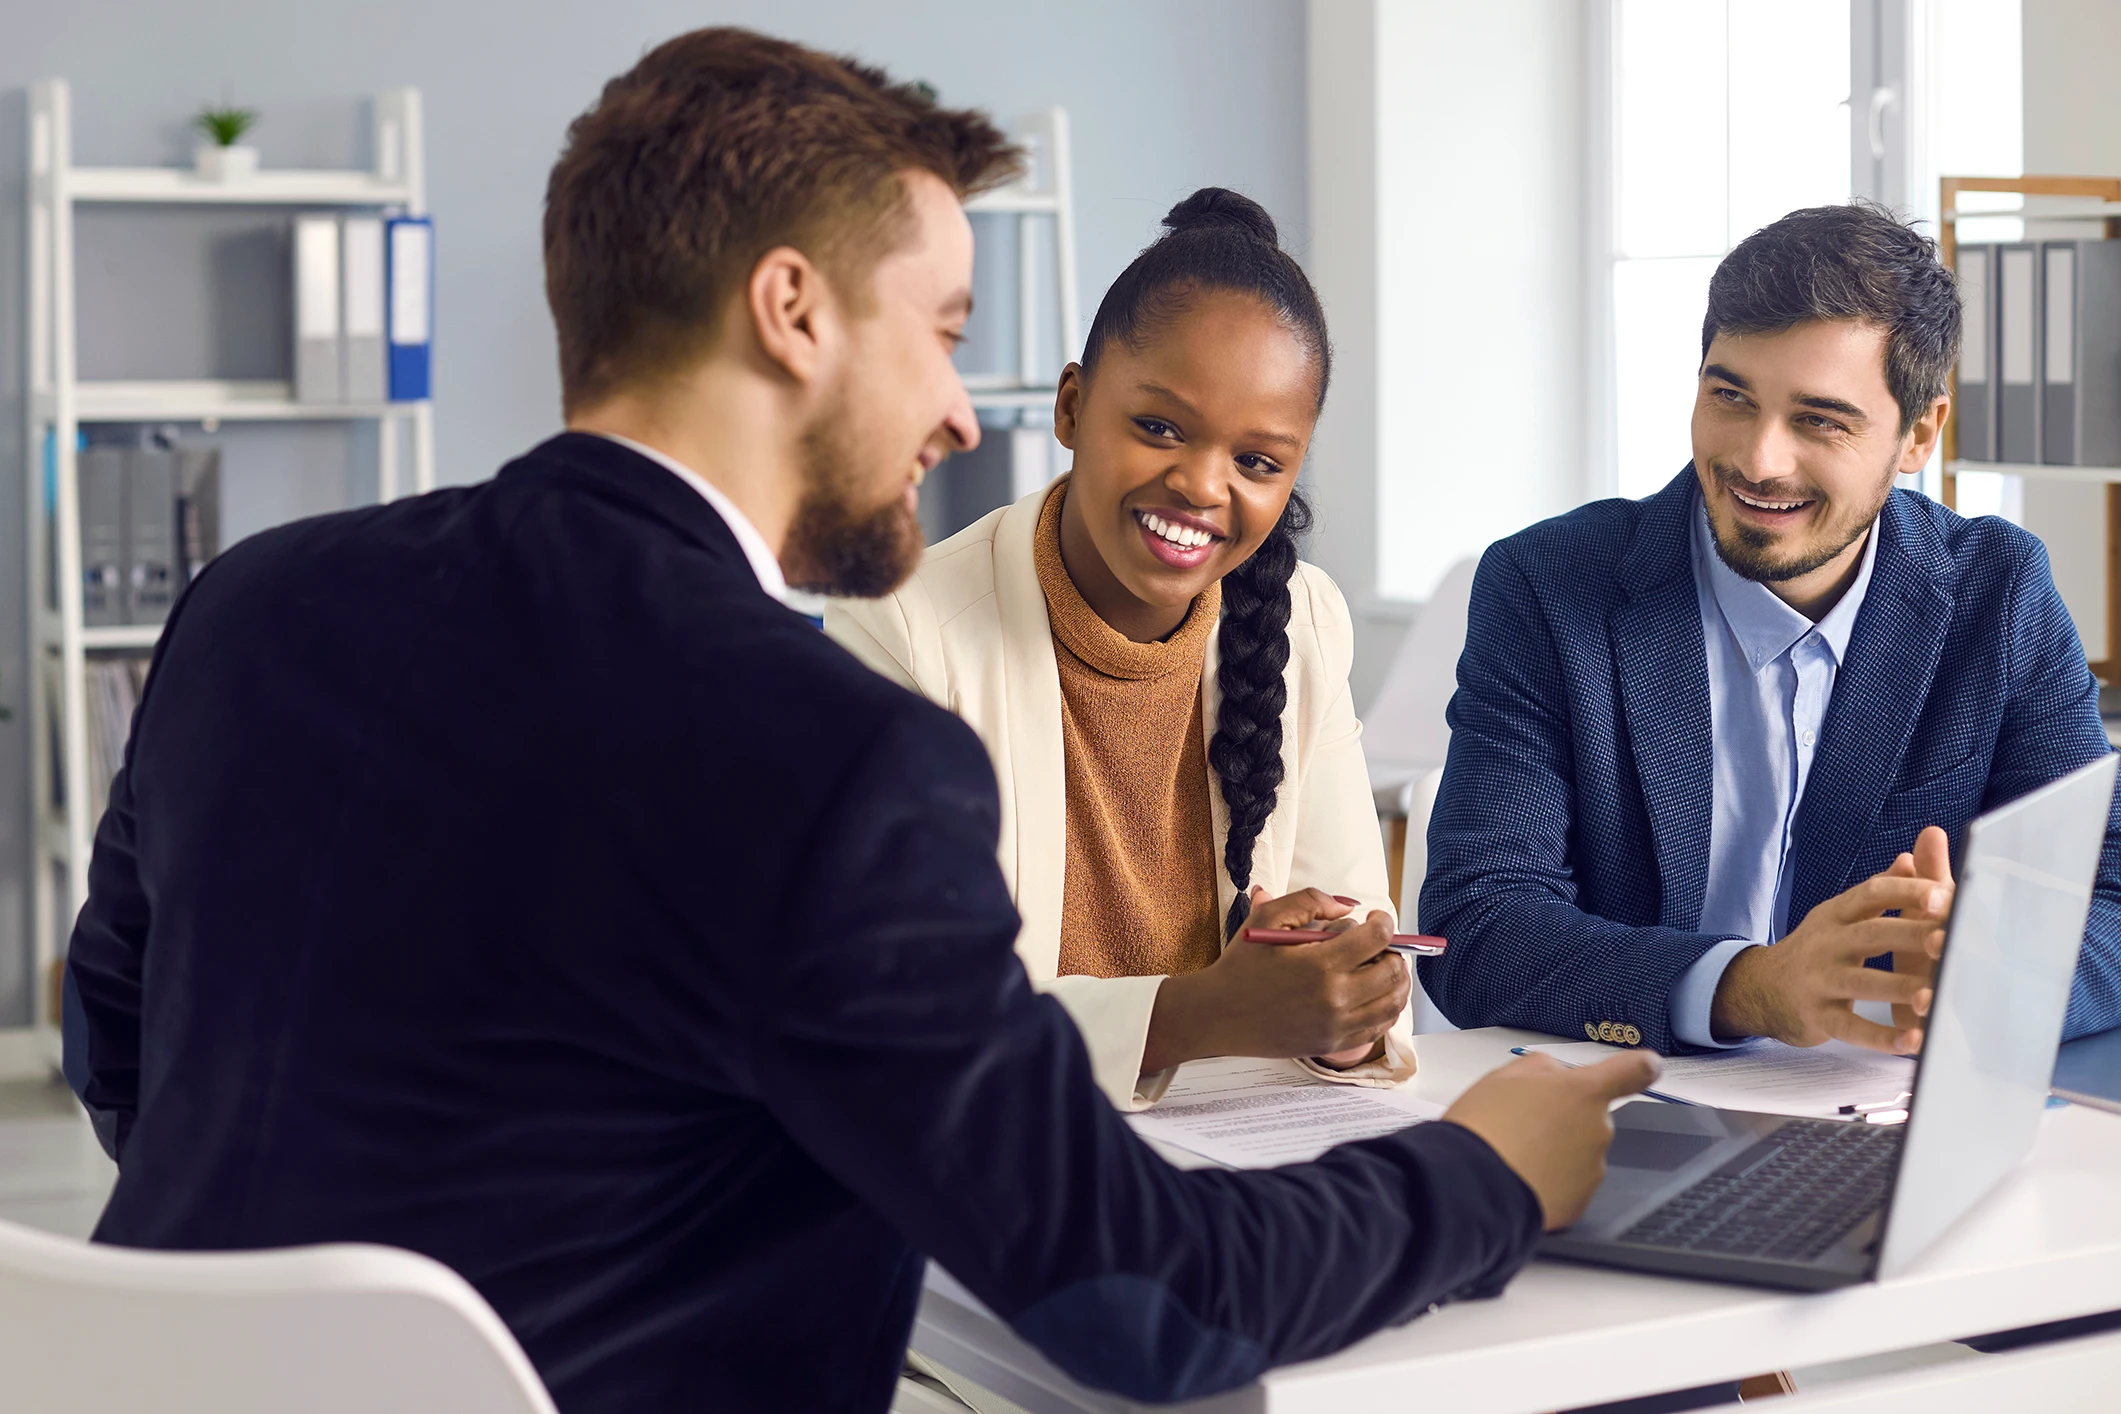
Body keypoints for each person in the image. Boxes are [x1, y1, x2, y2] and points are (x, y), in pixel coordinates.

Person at [61, 28, 1655, 1414]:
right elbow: (1150, 1301)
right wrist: (1486, 1170)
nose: (965, 412)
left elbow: (121, 1051)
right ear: (792, 312)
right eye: (947, 329)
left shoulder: (252, 605)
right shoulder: (833, 758)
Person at [1419, 201, 2121, 1061]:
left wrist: (1982, 975)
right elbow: (1476, 923)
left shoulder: (1997, 592)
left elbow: (2107, 891)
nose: (1759, 460)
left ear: (1918, 436)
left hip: (1885, 1105)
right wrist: (1747, 988)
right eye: (1730, 398)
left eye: (1819, 420)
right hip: (1618, 1099)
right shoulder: (1547, 586)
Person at [828, 188, 1412, 1113]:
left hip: (1237, 1155)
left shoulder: (1303, 619)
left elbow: (1363, 994)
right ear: (1071, 406)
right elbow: (894, 1015)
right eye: (1158, 427)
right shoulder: (900, 628)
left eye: (1258, 462)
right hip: (992, 1168)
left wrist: (1346, 1000)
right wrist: (1202, 1013)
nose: (1199, 485)